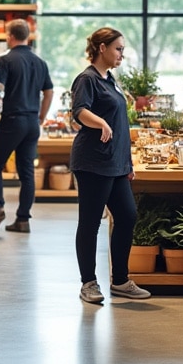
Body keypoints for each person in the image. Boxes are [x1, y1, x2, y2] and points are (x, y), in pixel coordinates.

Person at [71, 27, 151, 304]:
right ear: (102, 48)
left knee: (127, 216)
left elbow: (120, 122)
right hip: (93, 161)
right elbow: (79, 111)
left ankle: (120, 280)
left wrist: (126, 162)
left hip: (115, 163)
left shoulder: (110, 79)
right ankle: (88, 284)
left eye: (123, 49)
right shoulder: (87, 79)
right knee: (90, 223)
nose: (121, 54)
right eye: (118, 48)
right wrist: (101, 122)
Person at [0, 19, 54, 234]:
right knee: (27, 172)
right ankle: (23, 219)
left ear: (10, 36)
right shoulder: (40, 62)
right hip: (32, 123)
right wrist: (41, 116)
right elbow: (49, 92)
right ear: (28, 36)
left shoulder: (6, 61)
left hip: (12, 120)